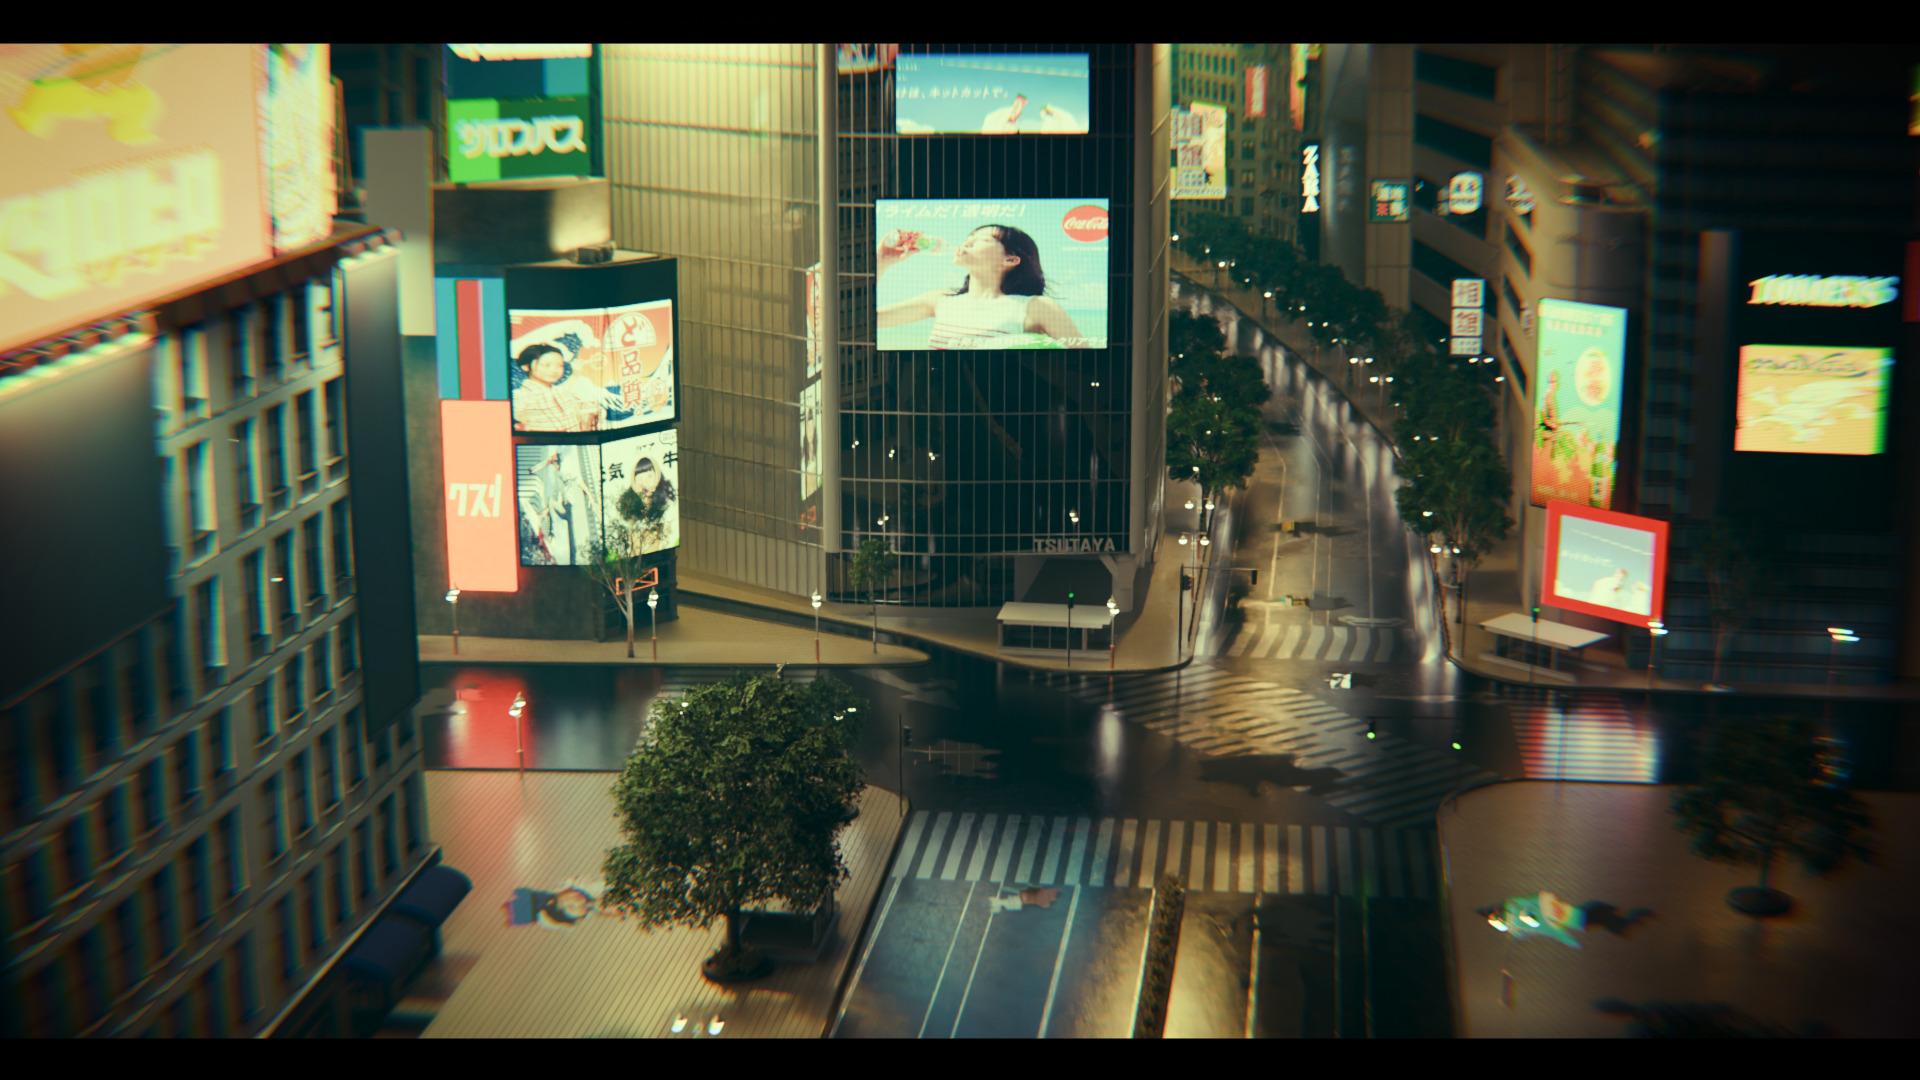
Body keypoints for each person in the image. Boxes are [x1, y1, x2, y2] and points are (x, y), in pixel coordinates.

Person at [877, 223, 1083, 348]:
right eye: (968, 238)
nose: (966, 243)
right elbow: (871, 322)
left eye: (982, 239)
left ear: (1010, 260)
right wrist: (880, 263)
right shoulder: (941, 300)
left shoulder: (1037, 307)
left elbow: (1084, 362)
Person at [511, 343, 603, 432]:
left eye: (560, 365)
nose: (554, 370)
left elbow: (561, 391)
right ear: (526, 366)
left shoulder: (563, 393)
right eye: (547, 365)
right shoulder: (520, 396)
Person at [627, 454, 678, 551]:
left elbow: (669, 538)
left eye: (649, 476)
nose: (644, 482)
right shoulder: (628, 507)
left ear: (657, 476)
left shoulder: (667, 504)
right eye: (640, 478)